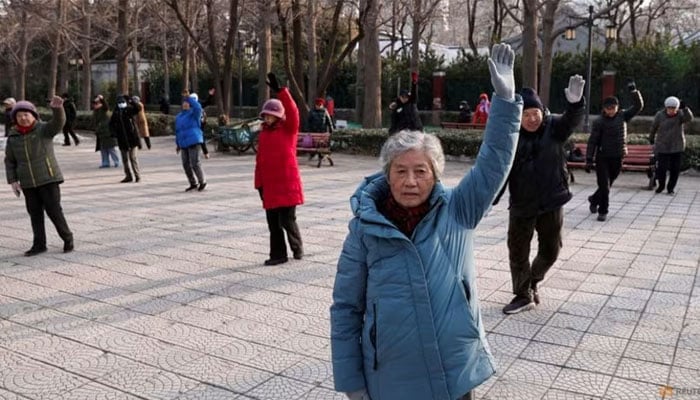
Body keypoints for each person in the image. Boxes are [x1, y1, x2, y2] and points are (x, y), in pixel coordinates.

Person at [330, 43, 521, 400]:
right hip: (392, 377)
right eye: (400, 171)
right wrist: (352, 384)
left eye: (421, 171)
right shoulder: (364, 229)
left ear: (436, 175)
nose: (411, 181)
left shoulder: (458, 209)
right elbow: (345, 309)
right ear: (387, 175)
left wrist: (506, 104)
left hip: (455, 371)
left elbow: (493, 163)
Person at [493, 76, 586, 314]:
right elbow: (501, 169)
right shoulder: (511, 137)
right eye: (525, 114)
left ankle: (533, 280)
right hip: (522, 203)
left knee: (551, 250)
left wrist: (575, 105)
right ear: (519, 117)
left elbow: (571, 121)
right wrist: (490, 197)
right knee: (518, 251)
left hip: (551, 201)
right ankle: (522, 295)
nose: (532, 118)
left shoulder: (554, 127)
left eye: (535, 112)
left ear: (542, 111)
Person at [4, 97, 74, 256]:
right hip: (28, 182)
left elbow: (58, 123)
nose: (23, 118)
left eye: (26, 114)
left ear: (33, 115)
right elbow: (10, 161)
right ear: (15, 118)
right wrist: (13, 180)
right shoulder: (13, 137)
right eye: (19, 115)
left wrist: (58, 109)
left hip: (48, 178)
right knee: (34, 214)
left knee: (54, 211)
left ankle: (67, 237)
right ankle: (39, 244)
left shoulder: (43, 129)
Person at [254, 72, 304, 266]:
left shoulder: (289, 129)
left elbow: (293, 111)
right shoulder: (264, 135)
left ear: (277, 116)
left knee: (288, 221)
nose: (267, 118)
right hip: (270, 187)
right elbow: (260, 162)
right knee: (273, 224)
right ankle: (278, 255)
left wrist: (282, 91)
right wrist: (259, 185)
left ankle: (297, 248)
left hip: (287, 184)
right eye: (265, 115)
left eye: (270, 115)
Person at [586, 82, 643, 221]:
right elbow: (593, 141)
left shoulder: (623, 116)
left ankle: (594, 199)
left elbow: (638, 107)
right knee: (604, 186)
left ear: (617, 108)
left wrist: (634, 92)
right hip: (602, 157)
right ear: (604, 109)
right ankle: (603, 211)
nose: (610, 110)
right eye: (608, 108)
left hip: (618, 156)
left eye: (613, 108)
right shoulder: (599, 122)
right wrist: (588, 159)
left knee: (608, 184)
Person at [648, 96, 694, 195]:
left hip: (676, 146)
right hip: (663, 145)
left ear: (677, 108)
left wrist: (685, 109)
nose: (671, 110)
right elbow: (654, 127)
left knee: (675, 169)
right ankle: (661, 185)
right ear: (666, 107)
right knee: (661, 169)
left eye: (674, 108)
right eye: (669, 108)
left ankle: (670, 188)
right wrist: (651, 138)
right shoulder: (660, 115)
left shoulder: (680, 115)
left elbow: (689, 118)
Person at [175, 93, 209, 192]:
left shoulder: (194, 113)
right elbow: (177, 131)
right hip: (183, 142)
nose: (185, 104)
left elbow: (198, 106)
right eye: (184, 102)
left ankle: (202, 181)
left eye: (187, 103)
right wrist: (177, 144)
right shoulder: (179, 117)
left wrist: (189, 98)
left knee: (195, 163)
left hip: (194, 140)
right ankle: (193, 183)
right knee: (185, 164)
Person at [109, 94, 141, 183]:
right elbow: (111, 124)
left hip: (132, 139)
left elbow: (138, 109)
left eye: (123, 102)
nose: (121, 104)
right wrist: (114, 133)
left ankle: (137, 175)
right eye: (119, 102)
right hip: (122, 140)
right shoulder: (116, 113)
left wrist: (131, 100)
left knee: (133, 157)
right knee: (125, 159)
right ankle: (128, 176)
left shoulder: (129, 110)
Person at [92, 95, 119, 168]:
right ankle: (105, 162)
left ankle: (116, 161)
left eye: (96, 103)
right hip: (100, 132)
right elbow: (95, 122)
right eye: (94, 104)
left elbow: (106, 105)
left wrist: (102, 98)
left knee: (111, 148)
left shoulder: (104, 109)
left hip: (108, 132)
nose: (95, 105)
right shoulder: (96, 112)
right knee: (103, 149)